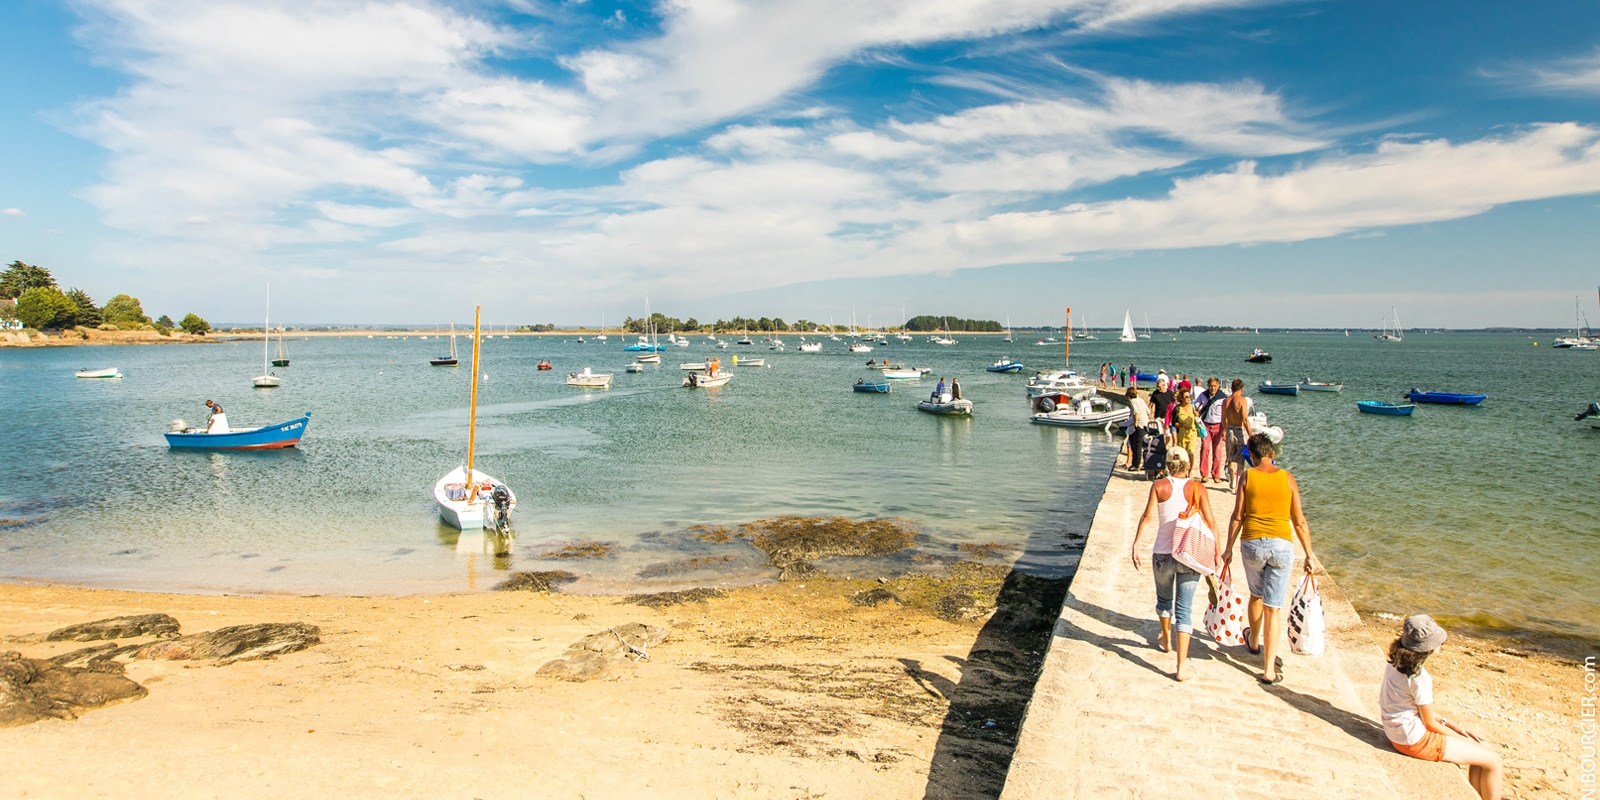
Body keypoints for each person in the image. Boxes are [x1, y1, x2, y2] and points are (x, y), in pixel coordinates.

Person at [1222, 434, 1318, 684]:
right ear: (1272, 455)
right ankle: (1268, 670)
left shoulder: (1247, 476)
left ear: (1252, 457)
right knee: (1273, 608)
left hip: (1252, 543)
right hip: (1281, 546)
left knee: (1256, 595)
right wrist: (1308, 554)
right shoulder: (1287, 479)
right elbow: (1298, 520)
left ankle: (1253, 641)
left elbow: (1237, 517)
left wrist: (1228, 549)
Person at [1380, 615, 1504, 800]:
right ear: (1428, 648)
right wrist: (1464, 740)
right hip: (1414, 741)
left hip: (1399, 733)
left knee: (1482, 751)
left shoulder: (1395, 663)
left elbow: (1416, 709)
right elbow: (1429, 722)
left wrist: (1453, 725)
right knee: (1494, 760)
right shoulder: (1419, 677)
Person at [1130, 448, 1218, 681]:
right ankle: (1181, 668)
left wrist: (1136, 544)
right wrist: (1216, 551)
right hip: (1188, 553)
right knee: (1184, 610)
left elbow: (1147, 517)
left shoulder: (1159, 486)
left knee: (1164, 600)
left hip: (1162, 554)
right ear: (1188, 465)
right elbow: (1210, 522)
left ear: (1167, 466)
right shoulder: (1197, 488)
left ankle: (1167, 639)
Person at [1220, 379, 1254, 493]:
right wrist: (1251, 434)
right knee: (1240, 459)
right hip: (1239, 430)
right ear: (1242, 389)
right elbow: (1244, 418)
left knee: (1230, 457)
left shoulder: (1225, 401)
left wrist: (1225, 430)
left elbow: (1223, 419)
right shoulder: (1242, 400)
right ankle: (1238, 483)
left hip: (1229, 429)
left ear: (1231, 388)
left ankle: (1232, 481)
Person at [1196, 377, 1228, 483]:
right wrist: (1196, 414)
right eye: (1211, 386)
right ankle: (1204, 474)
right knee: (1205, 448)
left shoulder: (1223, 398)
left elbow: (1226, 413)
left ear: (1218, 386)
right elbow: (1196, 407)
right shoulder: (1203, 395)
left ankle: (1216, 474)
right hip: (1205, 425)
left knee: (1217, 451)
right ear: (1208, 386)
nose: (1212, 388)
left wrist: (1225, 430)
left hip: (1219, 426)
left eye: (1215, 386)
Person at [1171, 386, 1199, 469]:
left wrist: (1197, 415)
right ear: (1182, 398)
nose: (1189, 398)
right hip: (1182, 434)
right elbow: (1174, 423)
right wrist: (1182, 425)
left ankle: (1190, 470)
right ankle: (1183, 469)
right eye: (1186, 397)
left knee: (1191, 452)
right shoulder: (1177, 409)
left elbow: (1197, 419)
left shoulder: (1192, 407)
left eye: (1190, 396)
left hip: (1192, 433)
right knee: (1183, 454)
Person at [1124, 387, 1152, 471]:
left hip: (1139, 424)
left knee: (1137, 445)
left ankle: (1136, 465)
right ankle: (1145, 463)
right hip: (1146, 423)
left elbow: (1136, 412)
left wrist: (1135, 423)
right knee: (1144, 445)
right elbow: (1148, 412)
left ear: (1129, 395)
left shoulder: (1132, 402)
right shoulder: (1140, 400)